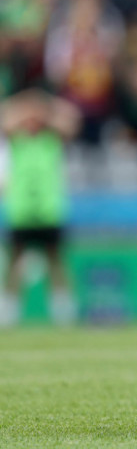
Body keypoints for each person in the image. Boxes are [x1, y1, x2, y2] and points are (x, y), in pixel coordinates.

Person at [0, 88, 81, 327]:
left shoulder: (52, 138)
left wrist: (44, 105)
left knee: (56, 261)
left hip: (49, 211)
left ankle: (63, 312)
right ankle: (8, 311)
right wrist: (24, 103)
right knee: (14, 262)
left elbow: (71, 120)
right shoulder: (14, 139)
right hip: (22, 211)